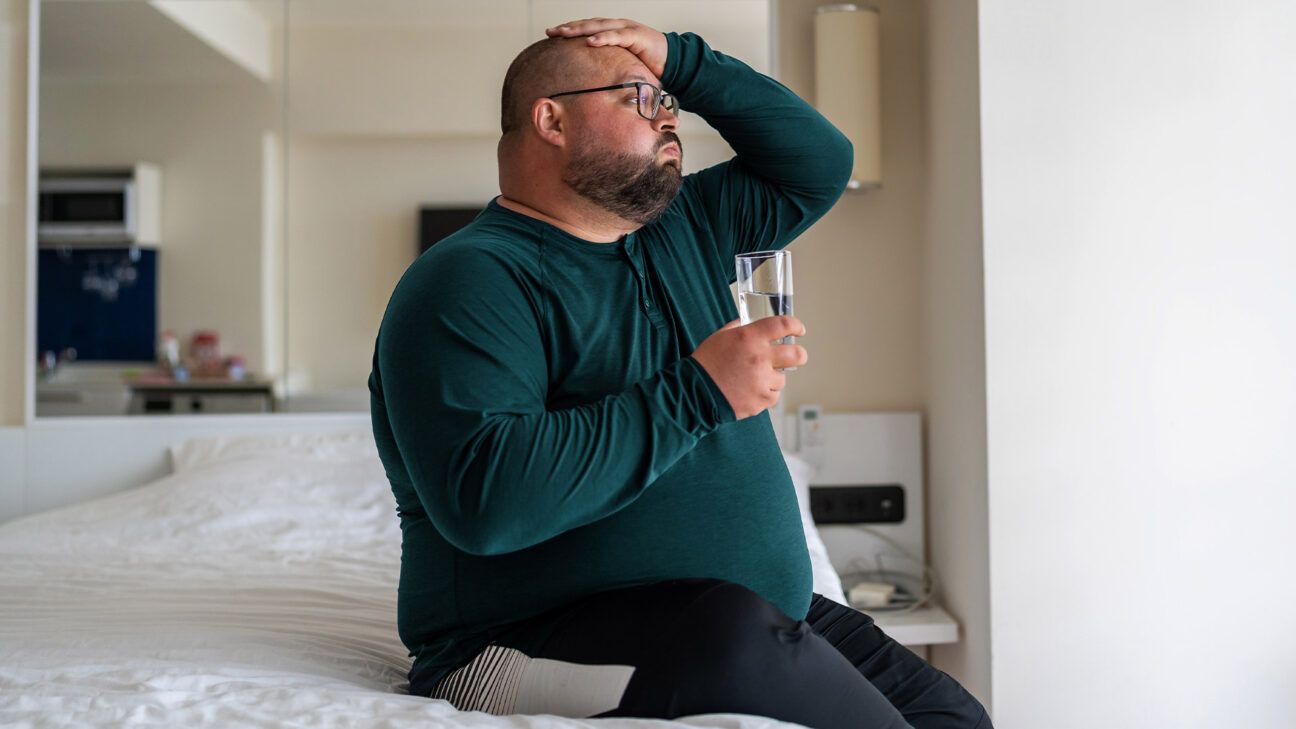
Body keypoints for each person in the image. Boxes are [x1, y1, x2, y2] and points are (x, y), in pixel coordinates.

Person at [368, 17, 991, 729]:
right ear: (551, 119)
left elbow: (821, 161)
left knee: (952, 714)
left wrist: (683, 62)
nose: (670, 117)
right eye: (640, 97)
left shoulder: (685, 226)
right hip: (518, 642)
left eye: (671, 102)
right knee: (736, 643)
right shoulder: (468, 279)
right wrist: (701, 392)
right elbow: (490, 500)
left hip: (755, 613)